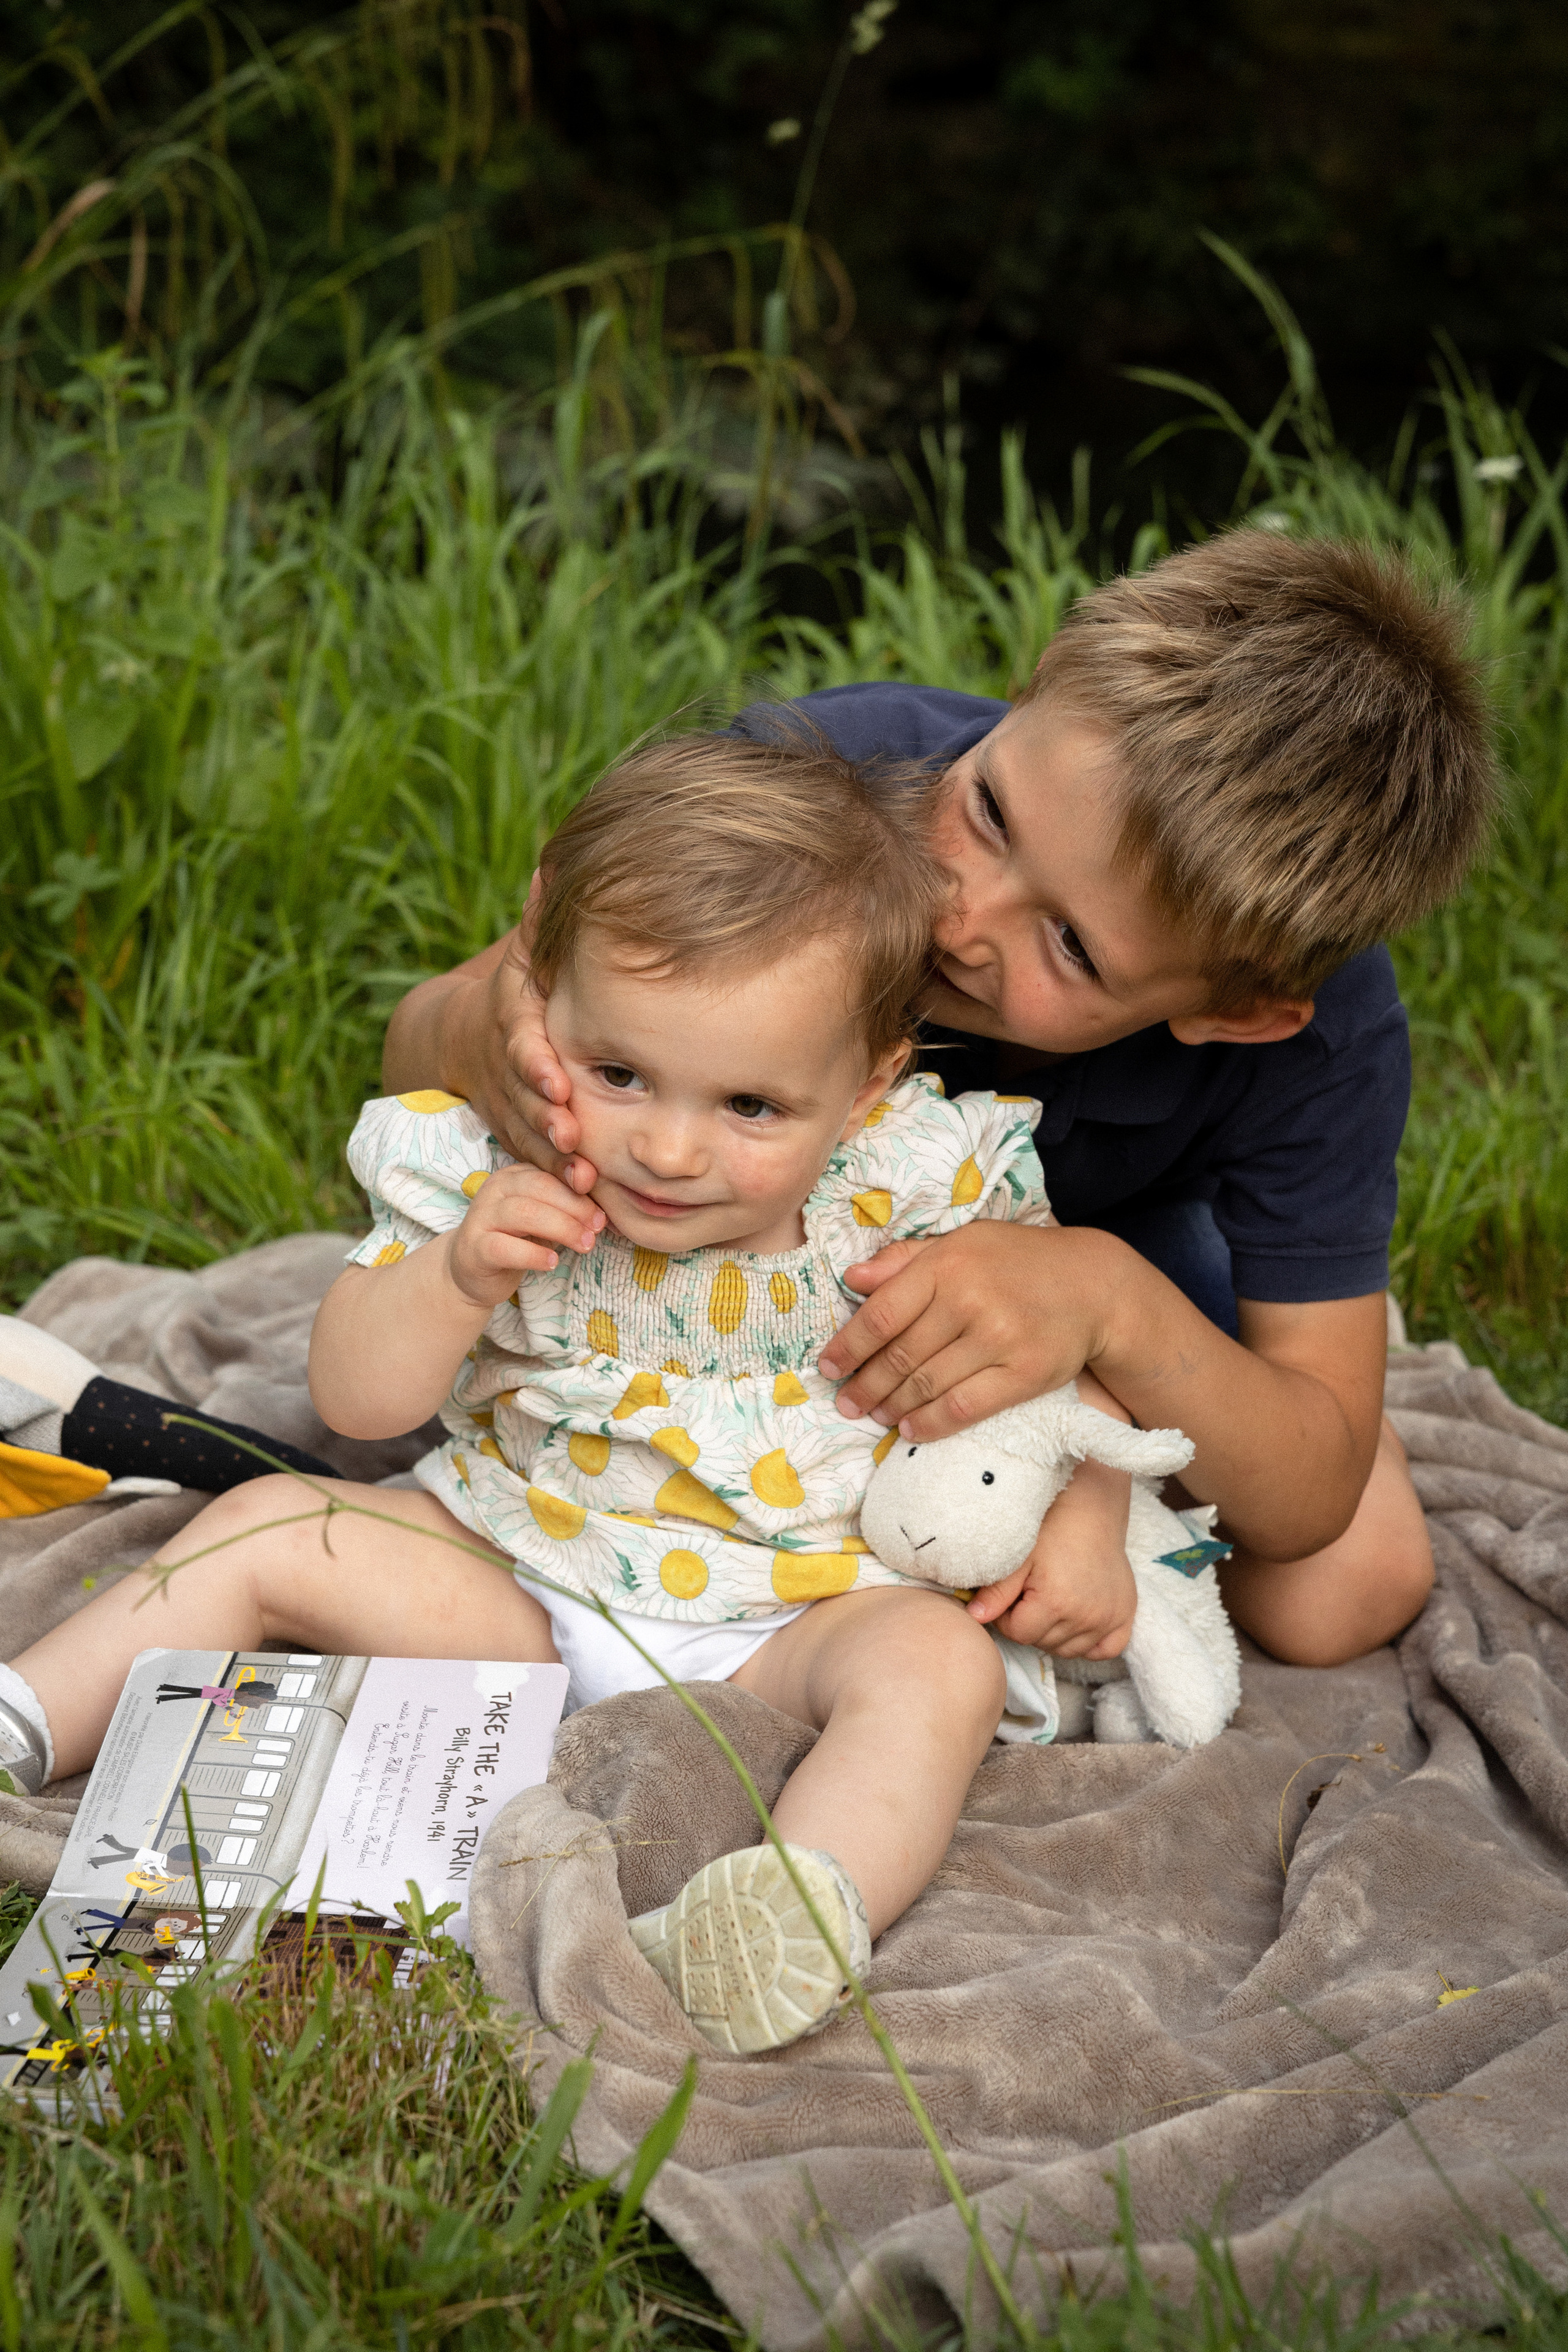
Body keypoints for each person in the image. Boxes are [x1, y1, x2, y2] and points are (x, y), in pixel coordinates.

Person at [1, 731, 1140, 2056]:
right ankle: (23, 1712)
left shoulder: (914, 1177)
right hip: (513, 1568)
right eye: (619, 1075)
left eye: (751, 1105)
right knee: (272, 1526)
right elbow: (358, 1400)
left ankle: (792, 1913)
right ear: (543, 994)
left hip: (789, 1614)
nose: (665, 1146)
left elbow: (1064, 1358)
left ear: (870, 1078)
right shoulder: (487, 1158)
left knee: (932, 1666)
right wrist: (452, 1273)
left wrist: (1088, 1519)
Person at [382, 531, 1496, 1670]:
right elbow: (414, 1057)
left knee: (1345, 1593)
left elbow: (1309, 1504)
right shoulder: (810, 787)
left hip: (1116, 1232)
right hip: (741, 1248)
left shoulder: (1323, 1039)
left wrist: (1109, 1303)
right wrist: (493, 1043)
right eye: (992, 814)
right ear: (1024, 697)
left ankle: (1213, 1382)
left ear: (1235, 1010)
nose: (959, 917)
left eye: (1069, 944)